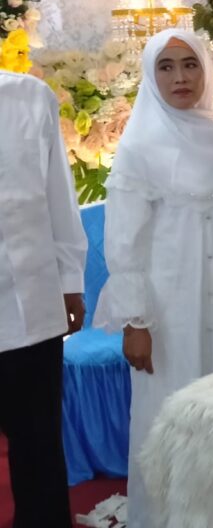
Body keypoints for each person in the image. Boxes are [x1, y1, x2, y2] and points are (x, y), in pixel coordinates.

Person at [94, 28, 213, 528]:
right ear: (150, 75)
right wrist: (135, 321)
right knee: (173, 408)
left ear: (207, 70)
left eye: (190, 64)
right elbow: (123, 242)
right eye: (166, 66)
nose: (180, 77)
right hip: (169, 307)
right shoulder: (140, 146)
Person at [0, 70, 86, 528]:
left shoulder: (30, 96)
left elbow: (59, 196)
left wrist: (71, 280)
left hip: (30, 305)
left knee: (38, 448)